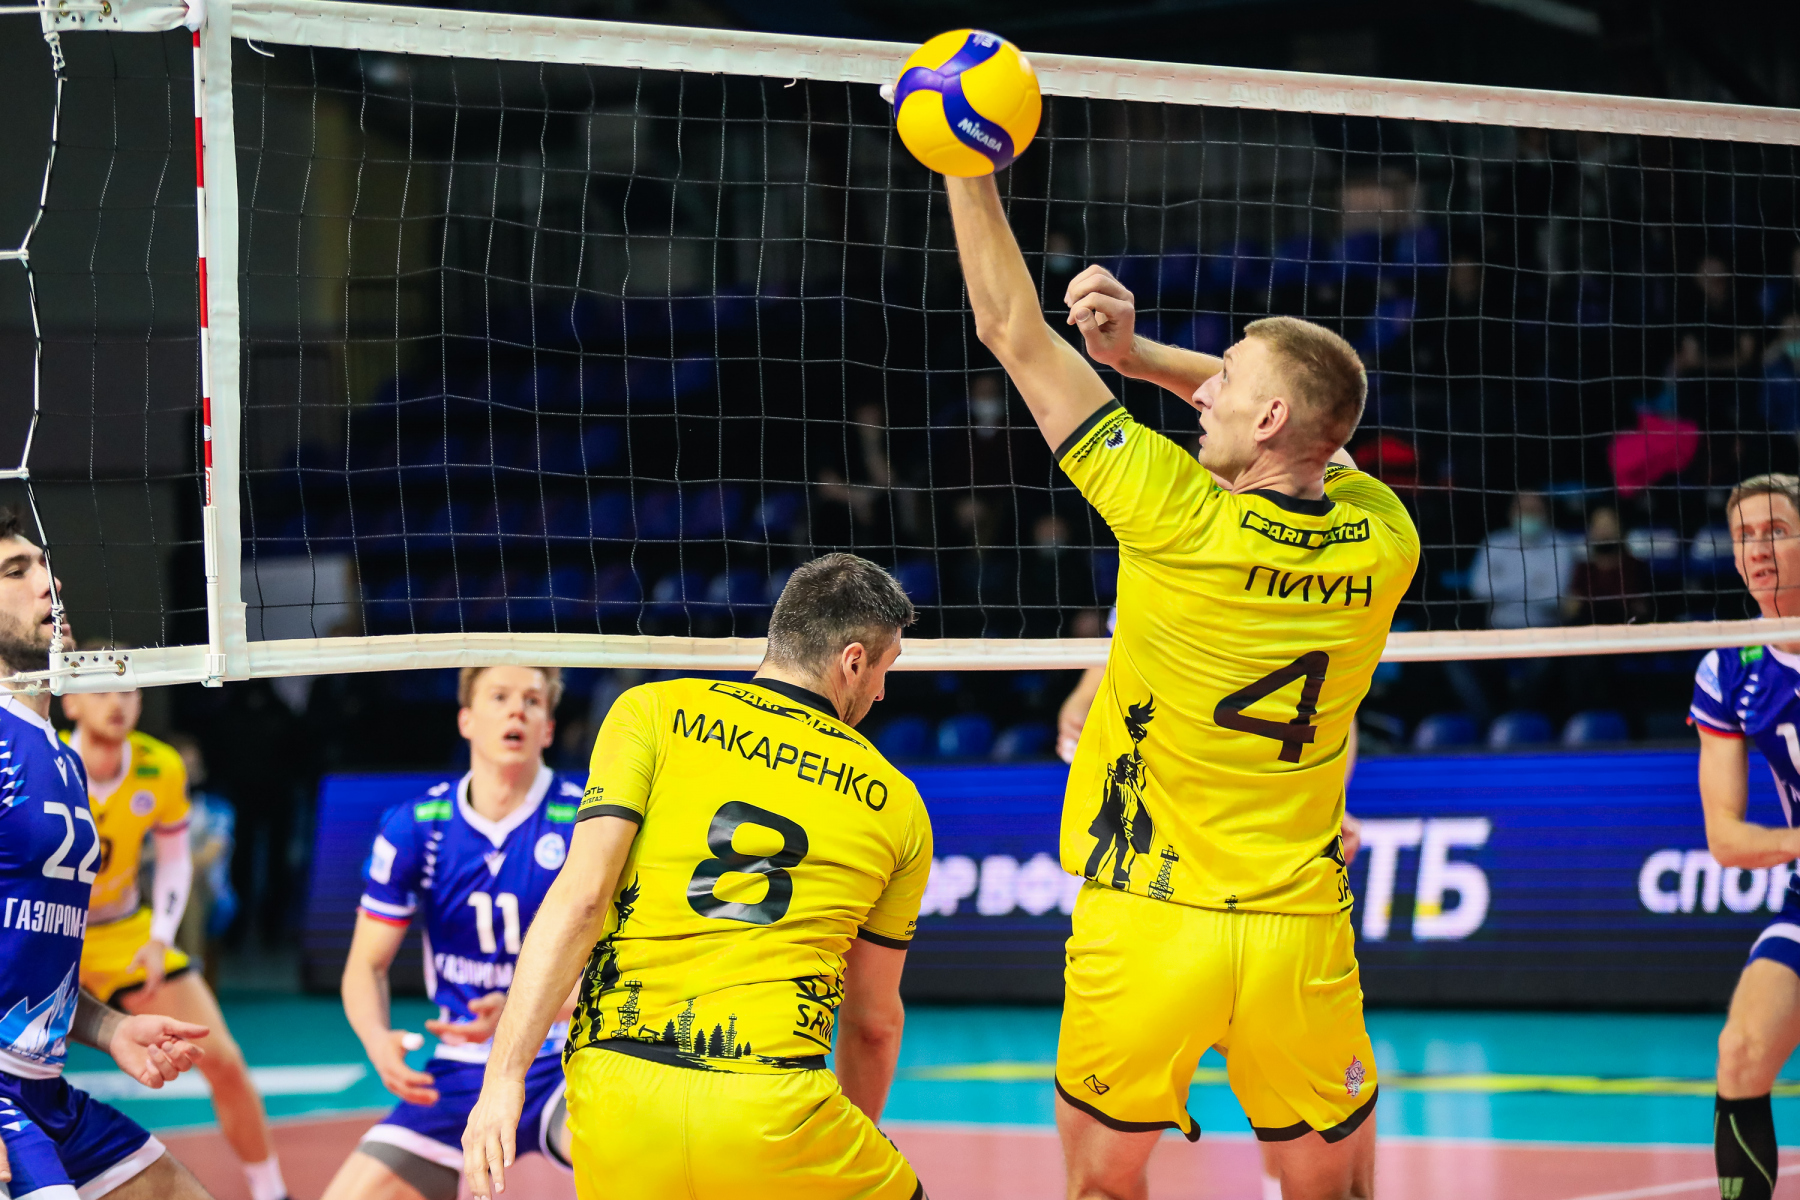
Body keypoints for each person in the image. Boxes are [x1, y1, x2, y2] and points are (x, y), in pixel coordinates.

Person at [944, 170, 1418, 1200]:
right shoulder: (1387, 537)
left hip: (1150, 918)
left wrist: (961, 158)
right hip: (1298, 928)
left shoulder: (1173, 511)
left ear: (1269, 416)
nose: (1203, 390)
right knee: (1335, 1191)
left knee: (1101, 1184)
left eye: (1225, 378)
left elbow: (1010, 328)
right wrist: (1142, 359)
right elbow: (1320, 431)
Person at [462, 553, 931, 1200]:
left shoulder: (650, 710)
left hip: (613, 1100)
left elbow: (581, 899)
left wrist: (503, 1078)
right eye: (885, 669)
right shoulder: (897, 804)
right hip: (770, 1104)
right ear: (853, 661)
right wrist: (838, 1142)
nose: (880, 693)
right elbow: (873, 1023)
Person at [1057, 615, 1365, 1200]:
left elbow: (1122, 642)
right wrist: (1329, 805)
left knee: (1101, 1185)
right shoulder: (1353, 575)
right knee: (1327, 1174)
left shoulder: (1162, 563)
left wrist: (1082, 700)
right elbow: (1334, 706)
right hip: (1288, 916)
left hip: (1153, 913)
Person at [0, 508, 217, 1199]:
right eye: (16, 571)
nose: (49, 582)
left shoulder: (61, 759)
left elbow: (37, 956)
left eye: (44, 564)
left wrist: (111, 1026)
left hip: (44, 1086)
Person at [321, 665, 583, 1200]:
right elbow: (366, 965)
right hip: (463, 1069)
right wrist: (377, 1040)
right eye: (500, 697)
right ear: (465, 720)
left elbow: (623, 966)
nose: (517, 710)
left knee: (647, 1170)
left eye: (533, 701)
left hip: (570, 1055)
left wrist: (521, 1010)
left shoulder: (585, 820)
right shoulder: (417, 825)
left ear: (548, 729)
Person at [62, 679, 288, 1200]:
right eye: (100, 692)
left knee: (223, 1060)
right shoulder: (46, 762)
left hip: (124, 930)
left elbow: (174, 859)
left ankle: (273, 1192)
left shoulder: (160, 766)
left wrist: (161, 937)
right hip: (55, 930)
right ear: (69, 701)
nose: (116, 703)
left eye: (127, 692)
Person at [1687, 473, 1800, 1200]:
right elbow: (1726, 838)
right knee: (1742, 1051)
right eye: (1744, 537)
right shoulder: (1729, 665)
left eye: (1776, 532)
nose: (1757, 549)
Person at [1465, 492, 1584, 630]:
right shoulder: (1494, 542)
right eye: (1523, 509)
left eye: (1534, 510)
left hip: (1548, 629)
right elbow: (1480, 589)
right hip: (1499, 630)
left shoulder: (1560, 544)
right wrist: (1533, 581)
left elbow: (1553, 597)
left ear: (1546, 513)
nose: (1528, 515)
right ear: (1511, 512)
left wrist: (1503, 584)